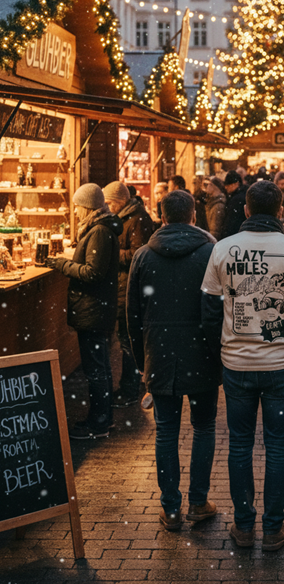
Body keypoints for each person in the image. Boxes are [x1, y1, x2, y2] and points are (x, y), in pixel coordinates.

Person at [201, 180, 284, 551]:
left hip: (236, 362)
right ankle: (273, 527)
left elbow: (208, 309)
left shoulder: (222, 250)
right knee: (277, 446)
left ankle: (243, 524)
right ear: (282, 209)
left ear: (247, 210)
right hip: (281, 363)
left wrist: (218, 349)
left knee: (239, 445)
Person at [127, 190, 221, 531]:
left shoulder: (143, 256)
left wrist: (143, 361)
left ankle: (170, 508)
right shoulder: (211, 253)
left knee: (166, 431)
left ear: (161, 216)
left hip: (159, 353)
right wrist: (217, 353)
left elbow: (132, 316)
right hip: (203, 354)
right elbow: (217, 310)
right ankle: (197, 502)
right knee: (204, 427)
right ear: (194, 216)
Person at [48, 183, 122, 439]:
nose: (76, 211)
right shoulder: (99, 229)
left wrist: (64, 264)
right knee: (99, 367)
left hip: (94, 309)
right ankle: (102, 419)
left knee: (96, 369)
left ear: (88, 207)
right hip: (96, 308)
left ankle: (99, 423)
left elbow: (93, 272)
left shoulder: (99, 232)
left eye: (78, 206)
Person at [102, 181, 154, 407]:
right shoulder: (127, 217)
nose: (107, 207)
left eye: (109, 203)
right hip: (124, 287)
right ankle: (131, 386)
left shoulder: (137, 219)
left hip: (130, 288)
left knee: (128, 340)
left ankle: (130, 389)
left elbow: (138, 255)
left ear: (119, 201)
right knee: (127, 339)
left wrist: (112, 252)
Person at [221, 170, 248, 238]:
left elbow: (232, 223)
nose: (226, 187)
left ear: (236, 184)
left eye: (229, 185)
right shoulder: (245, 194)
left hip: (235, 236)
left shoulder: (236, 200)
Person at [205, 176, 227, 240]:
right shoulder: (213, 203)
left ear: (214, 186)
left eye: (209, 184)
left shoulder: (218, 206)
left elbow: (215, 231)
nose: (207, 187)